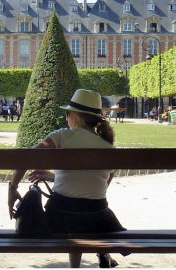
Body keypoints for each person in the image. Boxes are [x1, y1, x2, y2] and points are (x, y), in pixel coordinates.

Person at [8, 89, 125, 268]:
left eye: (67, 114)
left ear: (77, 116)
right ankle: (103, 253)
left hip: (60, 218)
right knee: (89, 215)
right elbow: (96, 186)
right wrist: (56, 177)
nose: (66, 118)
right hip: (97, 219)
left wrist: (12, 188)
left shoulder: (62, 136)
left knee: (73, 220)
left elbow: (27, 156)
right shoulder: (108, 147)